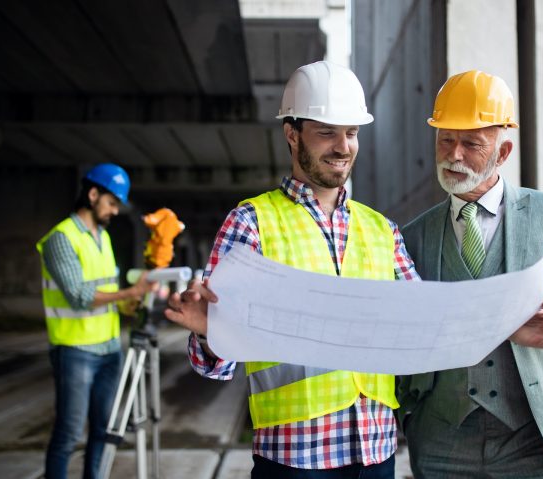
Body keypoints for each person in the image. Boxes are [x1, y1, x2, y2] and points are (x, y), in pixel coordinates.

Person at [164, 60, 419, 478]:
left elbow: (418, 329)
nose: (342, 146)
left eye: (351, 133)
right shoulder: (251, 222)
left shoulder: (381, 229)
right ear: (292, 133)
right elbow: (213, 365)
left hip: (377, 451)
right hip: (295, 458)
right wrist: (210, 333)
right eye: (326, 132)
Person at [397, 70, 543, 478]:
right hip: (443, 442)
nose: (453, 155)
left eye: (472, 144)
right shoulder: (412, 236)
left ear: (504, 151)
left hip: (539, 438)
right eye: (445, 140)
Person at [36, 163, 155, 479]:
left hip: (109, 350)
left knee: (104, 431)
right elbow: (78, 294)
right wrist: (129, 291)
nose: (115, 211)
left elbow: (108, 293)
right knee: (70, 434)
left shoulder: (102, 238)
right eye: (112, 202)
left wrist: (131, 302)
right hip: (75, 351)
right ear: (92, 194)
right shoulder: (61, 238)